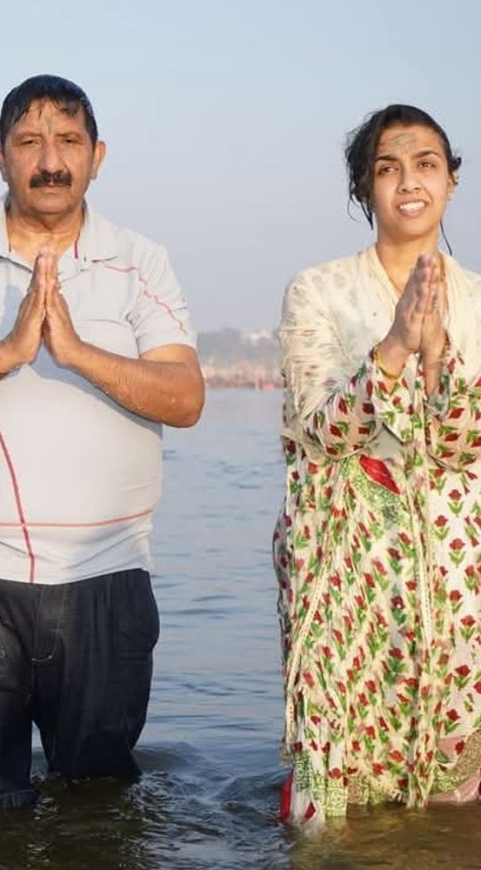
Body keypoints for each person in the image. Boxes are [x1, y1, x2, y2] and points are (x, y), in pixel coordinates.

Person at [0, 74, 204, 809]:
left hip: (106, 578)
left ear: (98, 155)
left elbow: (185, 397)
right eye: (30, 143)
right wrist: (5, 354)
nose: (50, 160)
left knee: (96, 813)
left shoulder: (139, 260)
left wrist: (79, 351)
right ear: (0, 158)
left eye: (68, 142)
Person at [274, 105, 481, 827]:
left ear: (451, 181)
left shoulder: (479, 302)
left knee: (453, 786)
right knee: (335, 790)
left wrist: (438, 360)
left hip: (457, 576)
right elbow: (319, 432)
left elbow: (465, 447)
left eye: (425, 164)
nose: (408, 182)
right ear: (365, 190)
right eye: (387, 168)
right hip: (343, 572)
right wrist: (393, 348)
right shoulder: (318, 291)